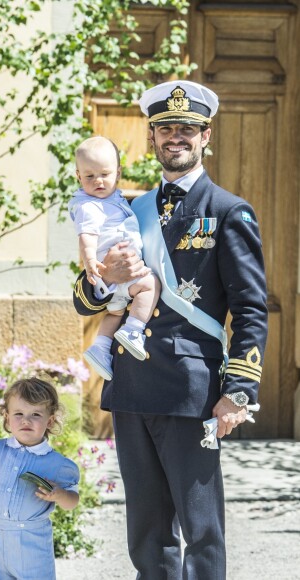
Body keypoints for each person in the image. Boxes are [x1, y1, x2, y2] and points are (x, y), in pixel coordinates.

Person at [72, 80, 268, 579]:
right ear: (152, 137)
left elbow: (249, 308)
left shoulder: (228, 212)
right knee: (147, 533)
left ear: (206, 137)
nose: (175, 137)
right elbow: (85, 296)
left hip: (192, 391)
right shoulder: (126, 209)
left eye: (187, 129)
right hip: (133, 386)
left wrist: (239, 391)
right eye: (165, 129)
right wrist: (104, 283)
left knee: (201, 532)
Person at [0, 377, 80, 580]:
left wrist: (60, 494)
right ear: (7, 418)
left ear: (50, 420)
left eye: (35, 414)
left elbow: (72, 502)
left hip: (33, 544)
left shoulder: (57, 463)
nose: (26, 420)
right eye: (18, 414)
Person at [69, 136, 160, 380]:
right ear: (79, 176)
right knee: (150, 284)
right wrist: (101, 274)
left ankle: (100, 346)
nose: (98, 181)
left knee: (115, 313)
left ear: (118, 173)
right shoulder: (99, 205)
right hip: (128, 373)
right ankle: (133, 330)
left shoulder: (119, 201)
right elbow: (86, 237)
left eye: (104, 174)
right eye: (90, 176)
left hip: (176, 362)